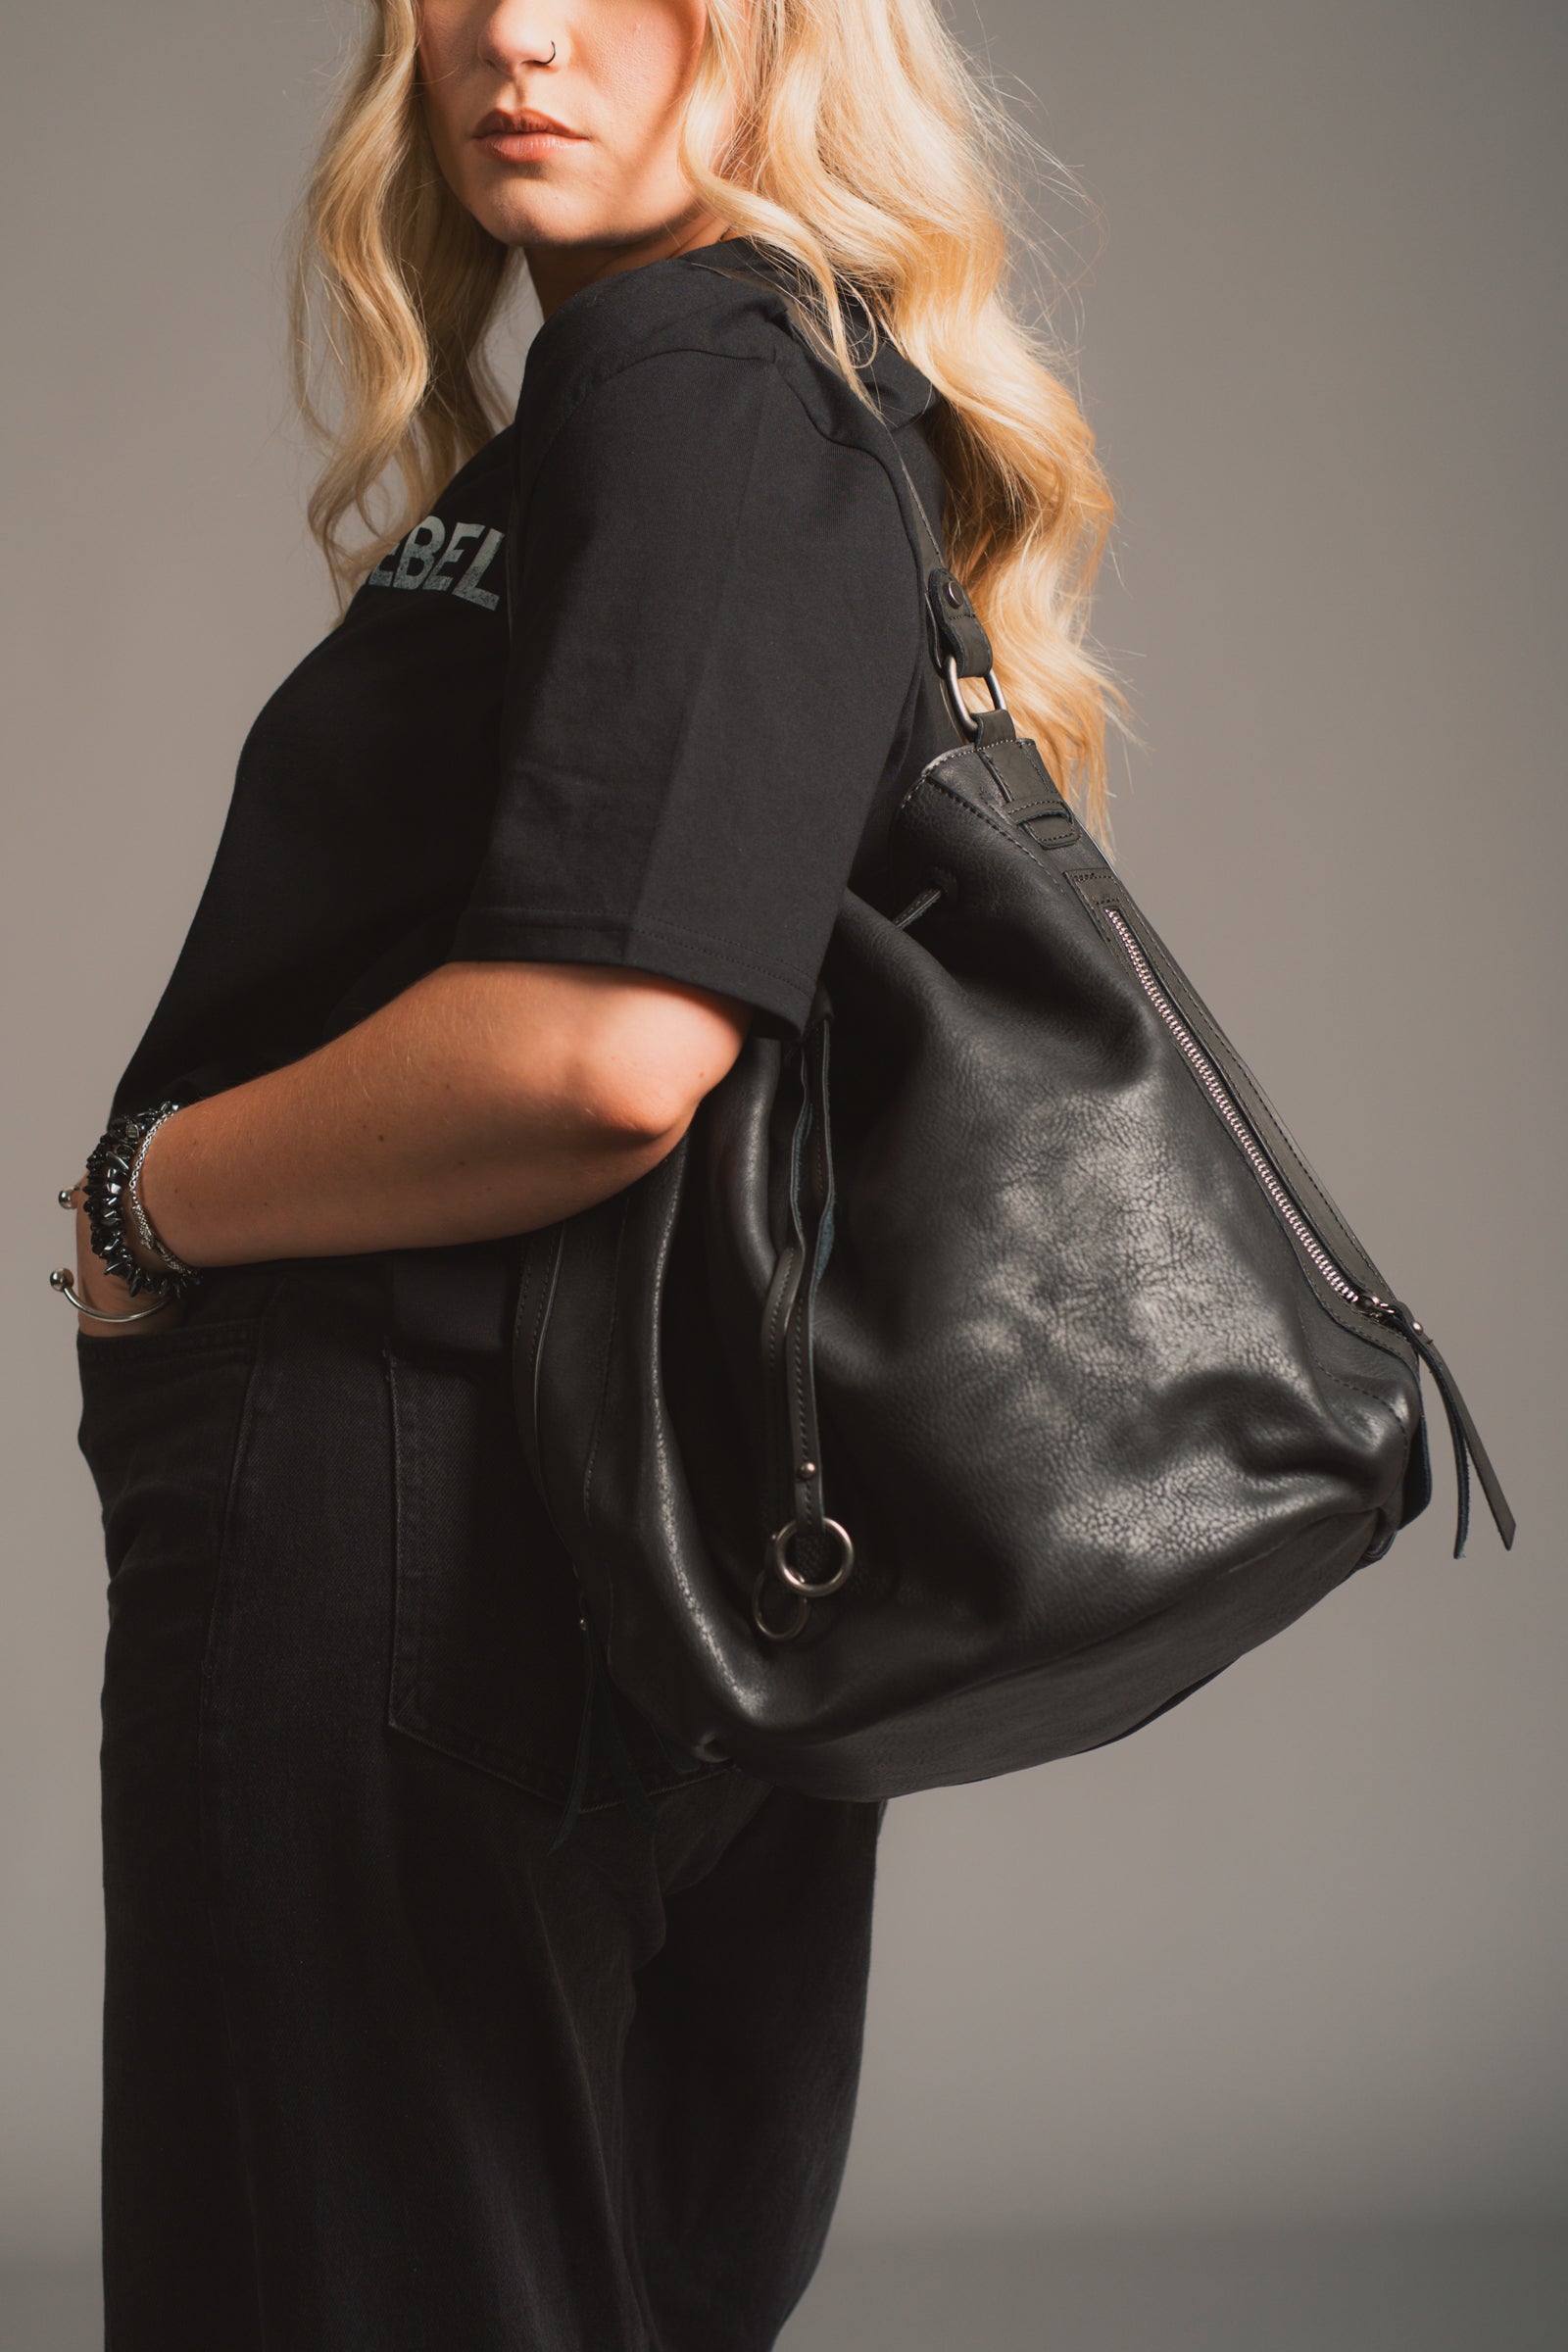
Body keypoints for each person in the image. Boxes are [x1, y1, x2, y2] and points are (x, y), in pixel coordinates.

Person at [58, 2, 1120, 2343]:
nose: (513, 31)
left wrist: (149, 1206)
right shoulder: (739, 396)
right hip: (641, 1529)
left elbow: (607, 1047)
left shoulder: (695, 380)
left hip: (430, 1536)